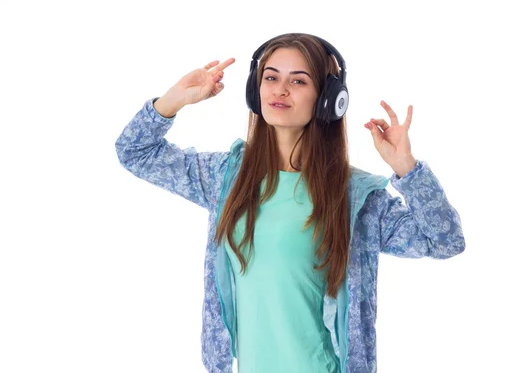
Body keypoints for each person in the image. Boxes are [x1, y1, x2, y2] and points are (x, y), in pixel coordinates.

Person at [115, 32, 465, 373]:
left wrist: (406, 167)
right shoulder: (226, 178)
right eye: (270, 77)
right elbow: (134, 152)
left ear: (329, 99)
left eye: (298, 81)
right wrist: (173, 100)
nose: (280, 90)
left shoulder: (356, 198)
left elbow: (445, 240)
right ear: (255, 90)